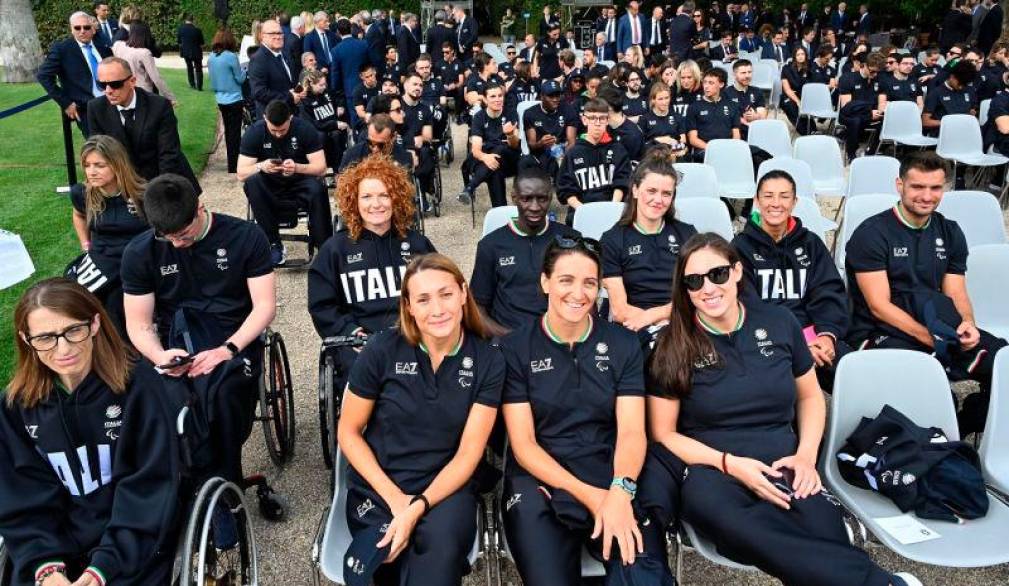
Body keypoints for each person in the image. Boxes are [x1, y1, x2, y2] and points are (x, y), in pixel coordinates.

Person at [645, 232, 924, 586]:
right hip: (712, 467)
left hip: (784, 461)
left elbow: (809, 397)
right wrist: (730, 464)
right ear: (684, 288)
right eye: (694, 281)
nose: (707, 288)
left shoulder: (779, 322)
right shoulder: (672, 344)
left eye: (717, 274)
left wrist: (806, 457)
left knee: (825, 529)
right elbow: (664, 433)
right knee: (735, 525)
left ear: (736, 272)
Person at [499, 235, 676, 585]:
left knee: (643, 577)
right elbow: (524, 445)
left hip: (611, 468)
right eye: (566, 280)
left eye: (589, 283)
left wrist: (620, 491)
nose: (578, 293)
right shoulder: (514, 348)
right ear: (545, 281)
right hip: (543, 479)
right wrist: (595, 498)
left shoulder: (623, 343)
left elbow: (630, 431)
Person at [120, 173, 286, 518]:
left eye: (183, 234)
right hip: (174, 341)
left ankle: (224, 490)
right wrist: (160, 355)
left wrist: (228, 349)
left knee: (222, 395)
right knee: (156, 395)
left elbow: (264, 307)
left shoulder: (245, 237)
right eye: (167, 237)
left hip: (233, 336)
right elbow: (138, 324)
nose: (177, 244)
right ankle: (178, 486)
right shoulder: (141, 252)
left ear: (200, 208)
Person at [0, 278, 181, 586]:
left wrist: (102, 568)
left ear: (95, 323)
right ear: (26, 339)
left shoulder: (140, 388)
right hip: (52, 545)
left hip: (132, 537)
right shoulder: (15, 405)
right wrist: (47, 567)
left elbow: (149, 485)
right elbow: (21, 496)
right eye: (45, 337)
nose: (64, 349)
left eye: (73, 330)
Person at [336, 252, 501, 586]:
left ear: (463, 292)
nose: (438, 309)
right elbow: (349, 432)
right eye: (423, 299)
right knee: (380, 564)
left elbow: (469, 454)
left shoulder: (488, 360)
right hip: (380, 487)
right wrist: (397, 501)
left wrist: (416, 508)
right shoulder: (381, 349)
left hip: (445, 490)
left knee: (437, 559)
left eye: (446, 294)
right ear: (408, 306)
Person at [845, 152, 1008, 434]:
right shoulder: (871, 233)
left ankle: (959, 427)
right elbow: (878, 306)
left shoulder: (950, 231)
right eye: (917, 187)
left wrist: (967, 323)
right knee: (920, 382)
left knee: (1003, 364)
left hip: (937, 323)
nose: (926, 196)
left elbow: (956, 292)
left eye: (935, 188)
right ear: (900, 185)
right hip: (881, 329)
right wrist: (930, 338)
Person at [309, 154, 436, 417]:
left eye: (384, 195)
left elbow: (439, 293)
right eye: (366, 197)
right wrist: (349, 330)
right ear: (353, 202)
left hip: (413, 337)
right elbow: (322, 305)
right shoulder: (335, 251)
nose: (376, 204)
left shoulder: (417, 245)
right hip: (362, 342)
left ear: (396, 198)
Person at [732, 170, 851, 391]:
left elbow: (829, 291)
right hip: (767, 340)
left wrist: (827, 336)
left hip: (814, 336)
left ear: (794, 202)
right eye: (768, 196)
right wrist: (796, 345)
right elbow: (746, 306)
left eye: (784, 196)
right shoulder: (740, 247)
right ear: (757, 201)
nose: (776, 203)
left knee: (855, 375)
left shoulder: (811, 243)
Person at [602, 152, 698, 333]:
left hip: (681, 323)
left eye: (666, 193)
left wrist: (653, 316)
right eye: (651, 191)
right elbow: (620, 311)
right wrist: (654, 323)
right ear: (636, 190)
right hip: (634, 326)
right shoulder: (612, 239)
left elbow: (698, 295)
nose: (658, 200)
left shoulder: (687, 234)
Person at [237, 99, 333, 265]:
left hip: (299, 181)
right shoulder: (254, 132)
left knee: (318, 187)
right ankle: (274, 243)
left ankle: (324, 246)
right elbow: (241, 173)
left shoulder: (304, 129)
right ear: (265, 119)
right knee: (252, 182)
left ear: (290, 118)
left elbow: (321, 168)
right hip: (269, 185)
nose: (279, 134)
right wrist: (262, 166)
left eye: (282, 130)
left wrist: (297, 167)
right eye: (274, 130)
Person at [68, 135, 148, 334]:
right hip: (101, 256)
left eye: (99, 165)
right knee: (70, 299)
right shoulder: (83, 194)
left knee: (116, 304)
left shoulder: (142, 194)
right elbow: (78, 215)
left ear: (117, 164)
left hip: (135, 260)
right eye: (87, 165)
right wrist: (85, 242)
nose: (91, 172)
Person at [87, 57, 201, 194]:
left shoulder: (159, 106)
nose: (108, 90)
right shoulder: (96, 108)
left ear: (132, 81)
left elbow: (169, 154)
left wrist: (158, 193)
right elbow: (100, 154)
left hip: (166, 180)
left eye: (115, 84)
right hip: (125, 185)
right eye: (102, 85)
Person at [37, 11, 112, 137]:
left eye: (86, 27)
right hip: (85, 108)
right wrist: (65, 103)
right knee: (98, 148)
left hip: (111, 103)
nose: (82, 31)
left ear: (93, 29)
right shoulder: (62, 50)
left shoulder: (102, 47)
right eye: (77, 28)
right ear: (72, 29)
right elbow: (43, 76)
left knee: (120, 143)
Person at [556, 98, 631, 224]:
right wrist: (583, 210)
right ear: (584, 120)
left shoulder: (618, 149)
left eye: (602, 118)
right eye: (592, 118)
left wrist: (612, 208)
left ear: (607, 120)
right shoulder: (574, 153)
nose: (597, 123)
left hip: (612, 208)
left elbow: (623, 182)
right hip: (582, 209)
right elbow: (565, 190)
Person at [457, 83, 520, 207]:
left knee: (501, 149)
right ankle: (500, 211)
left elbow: (514, 145)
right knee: (494, 171)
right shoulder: (479, 117)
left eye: (500, 95)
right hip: (490, 161)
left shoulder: (510, 113)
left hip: (509, 159)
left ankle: (470, 187)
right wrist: (486, 157)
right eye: (493, 96)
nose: (498, 99)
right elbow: (476, 149)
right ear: (485, 100)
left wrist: (510, 134)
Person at [208, 28, 247, 174]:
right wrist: (245, 71)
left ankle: (232, 163)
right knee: (234, 133)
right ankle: (234, 165)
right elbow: (240, 78)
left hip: (220, 99)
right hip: (234, 99)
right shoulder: (231, 56)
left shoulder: (211, 57)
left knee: (229, 132)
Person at [248, 19, 305, 117]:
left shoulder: (285, 53)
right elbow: (259, 92)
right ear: (262, 36)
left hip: (291, 113)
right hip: (272, 119)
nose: (278, 36)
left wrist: (298, 92)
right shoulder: (258, 59)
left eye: (280, 33)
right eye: (272, 33)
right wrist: (289, 97)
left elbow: (289, 82)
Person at [112, 21, 176, 104]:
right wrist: (170, 97)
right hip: (143, 93)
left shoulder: (118, 45)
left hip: (126, 91)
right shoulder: (144, 53)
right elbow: (156, 78)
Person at [684, 67, 741, 160]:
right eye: (705, 82)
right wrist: (712, 149)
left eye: (711, 83)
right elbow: (693, 139)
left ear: (721, 84)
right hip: (705, 149)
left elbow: (736, 134)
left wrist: (731, 148)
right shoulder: (694, 107)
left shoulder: (732, 106)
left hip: (728, 148)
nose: (706, 86)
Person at [298, 69, 349, 171]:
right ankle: (322, 169)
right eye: (321, 85)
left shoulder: (326, 92)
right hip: (319, 130)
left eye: (324, 84)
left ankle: (338, 170)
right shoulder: (305, 100)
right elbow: (313, 125)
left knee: (337, 135)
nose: (324, 87)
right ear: (312, 84)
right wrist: (334, 124)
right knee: (321, 136)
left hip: (333, 127)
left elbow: (339, 96)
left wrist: (340, 105)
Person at [837, 51, 884, 159]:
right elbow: (847, 107)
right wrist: (868, 111)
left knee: (887, 119)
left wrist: (880, 111)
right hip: (851, 114)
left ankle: (872, 152)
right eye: (872, 72)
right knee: (856, 121)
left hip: (872, 113)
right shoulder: (848, 78)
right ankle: (851, 153)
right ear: (864, 65)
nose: (875, 75)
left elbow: (882, 101)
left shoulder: (879, 79)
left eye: (877, 72)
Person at [922, 59, 978, 135]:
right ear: (952, 76)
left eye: (965, 84)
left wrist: (971, 115)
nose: (961, 87)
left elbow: (971, 111)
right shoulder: (936, 93)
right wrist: (949, 123)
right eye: (960, 83)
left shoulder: (968, 91)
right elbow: (925, 121)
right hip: (944, 132)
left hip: (965, 131)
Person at [599, 85, 645, 162]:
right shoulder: (605, 126)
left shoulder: (632, 135)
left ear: (608, 107)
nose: (597, 108)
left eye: (599, 104)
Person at [725, 58, 768, 139]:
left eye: (749, 72)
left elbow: (763, 113)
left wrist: (756, 116)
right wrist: (741, 119)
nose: (747, 76)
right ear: (734, 74)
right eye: (743, 73)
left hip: (754, 132)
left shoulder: (757, 91)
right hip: (734, 135)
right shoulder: (726, 93)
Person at [641, 82, 689, 153]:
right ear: (653, 100)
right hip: (654, 156)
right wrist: (659, 140)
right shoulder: (645, 119)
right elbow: (641, 145)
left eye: (667, 98)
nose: (664, 102)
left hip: (674, 153)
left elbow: (683, 142)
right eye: (660, 99)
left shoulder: (677, 117)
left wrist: (683, 150)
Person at [177, 13, 205, 91]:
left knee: (189, 68)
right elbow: (202, 43)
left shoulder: (180, 29)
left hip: (186, 51)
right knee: (198, 69)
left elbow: (179, 42)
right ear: (193, 20)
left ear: (185, 20)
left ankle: (192, 84)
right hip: (196, 52)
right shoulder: (197, 30)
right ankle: (199, 86)